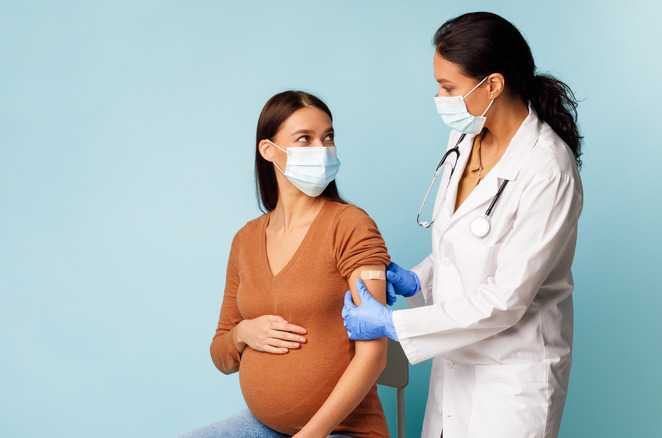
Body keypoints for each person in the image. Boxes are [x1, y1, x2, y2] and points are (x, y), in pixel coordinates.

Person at [342, 12, 584, 438]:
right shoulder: (464, 137)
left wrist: (394, 325)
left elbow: (506, 298)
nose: (439, 97)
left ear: (492, 84)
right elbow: (462, 249)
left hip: (513, 379)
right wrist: (418, 281)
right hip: (456, 364)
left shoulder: (549, 169)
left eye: (448, 87)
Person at [181, 91, 391, 438]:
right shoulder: (245, 240)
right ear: (269, 151)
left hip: (343, 431)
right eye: (304, 139)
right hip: (264, 426)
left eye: (328, 137)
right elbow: (221, 355)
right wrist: (242, 333)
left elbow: (374, 356)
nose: (322, 149)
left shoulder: (351, 225)